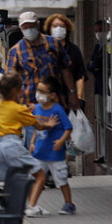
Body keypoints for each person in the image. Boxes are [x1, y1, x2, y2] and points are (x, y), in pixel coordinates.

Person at [0, 72, 59, 213]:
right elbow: (38, 125)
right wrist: (49, 124)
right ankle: (31, 207)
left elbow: (15, 112)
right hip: (11, 145)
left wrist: (28, 110)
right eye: (21, 88)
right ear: (15, 91)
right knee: (40, 175)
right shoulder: (19, 109)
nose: (23, 90)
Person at [7, 11, 77, 110]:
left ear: (37, 24)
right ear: (21, 29)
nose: (29, 30)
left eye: (31, 26)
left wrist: (72, 93)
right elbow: (10, 81)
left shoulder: (54, 44)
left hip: (54, 104)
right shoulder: (15, 51)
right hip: (28, 107)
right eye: (25, 28)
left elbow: (66, 70)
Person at [29, 76, 75, 216]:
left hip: (55, 154)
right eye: (38, 90)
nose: (39, 94)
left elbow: (68, 127)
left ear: (53, 95)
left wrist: (61, 141)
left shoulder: (58, 109)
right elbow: (38, 128)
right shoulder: (36, 109)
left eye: (43, 91)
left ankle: (69, 203)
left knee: (61, 179)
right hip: (40, 152)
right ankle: (32, 205)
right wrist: (32, 142)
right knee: (37, 178)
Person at [45, 14, 86, 110]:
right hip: (49, 98)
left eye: (62, 26)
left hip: (69, 98)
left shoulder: (74, 50)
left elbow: (80, 75)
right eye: (55, 26)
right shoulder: (44, 49)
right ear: (49, 29)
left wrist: (79, 97)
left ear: (67, 29)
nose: (58, 28)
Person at [87, 20, 109, 164]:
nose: (98, 33)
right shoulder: (97, 47)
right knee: (100, 120)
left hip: (105, 87)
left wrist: (95, 65)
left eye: (100, 30)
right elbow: (90, 66)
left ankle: (106, 154)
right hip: (98, 87)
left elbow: (102, 63)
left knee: (105, 120)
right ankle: (102, 153)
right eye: (96, 30)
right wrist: (95, 65)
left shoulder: (110, 46)